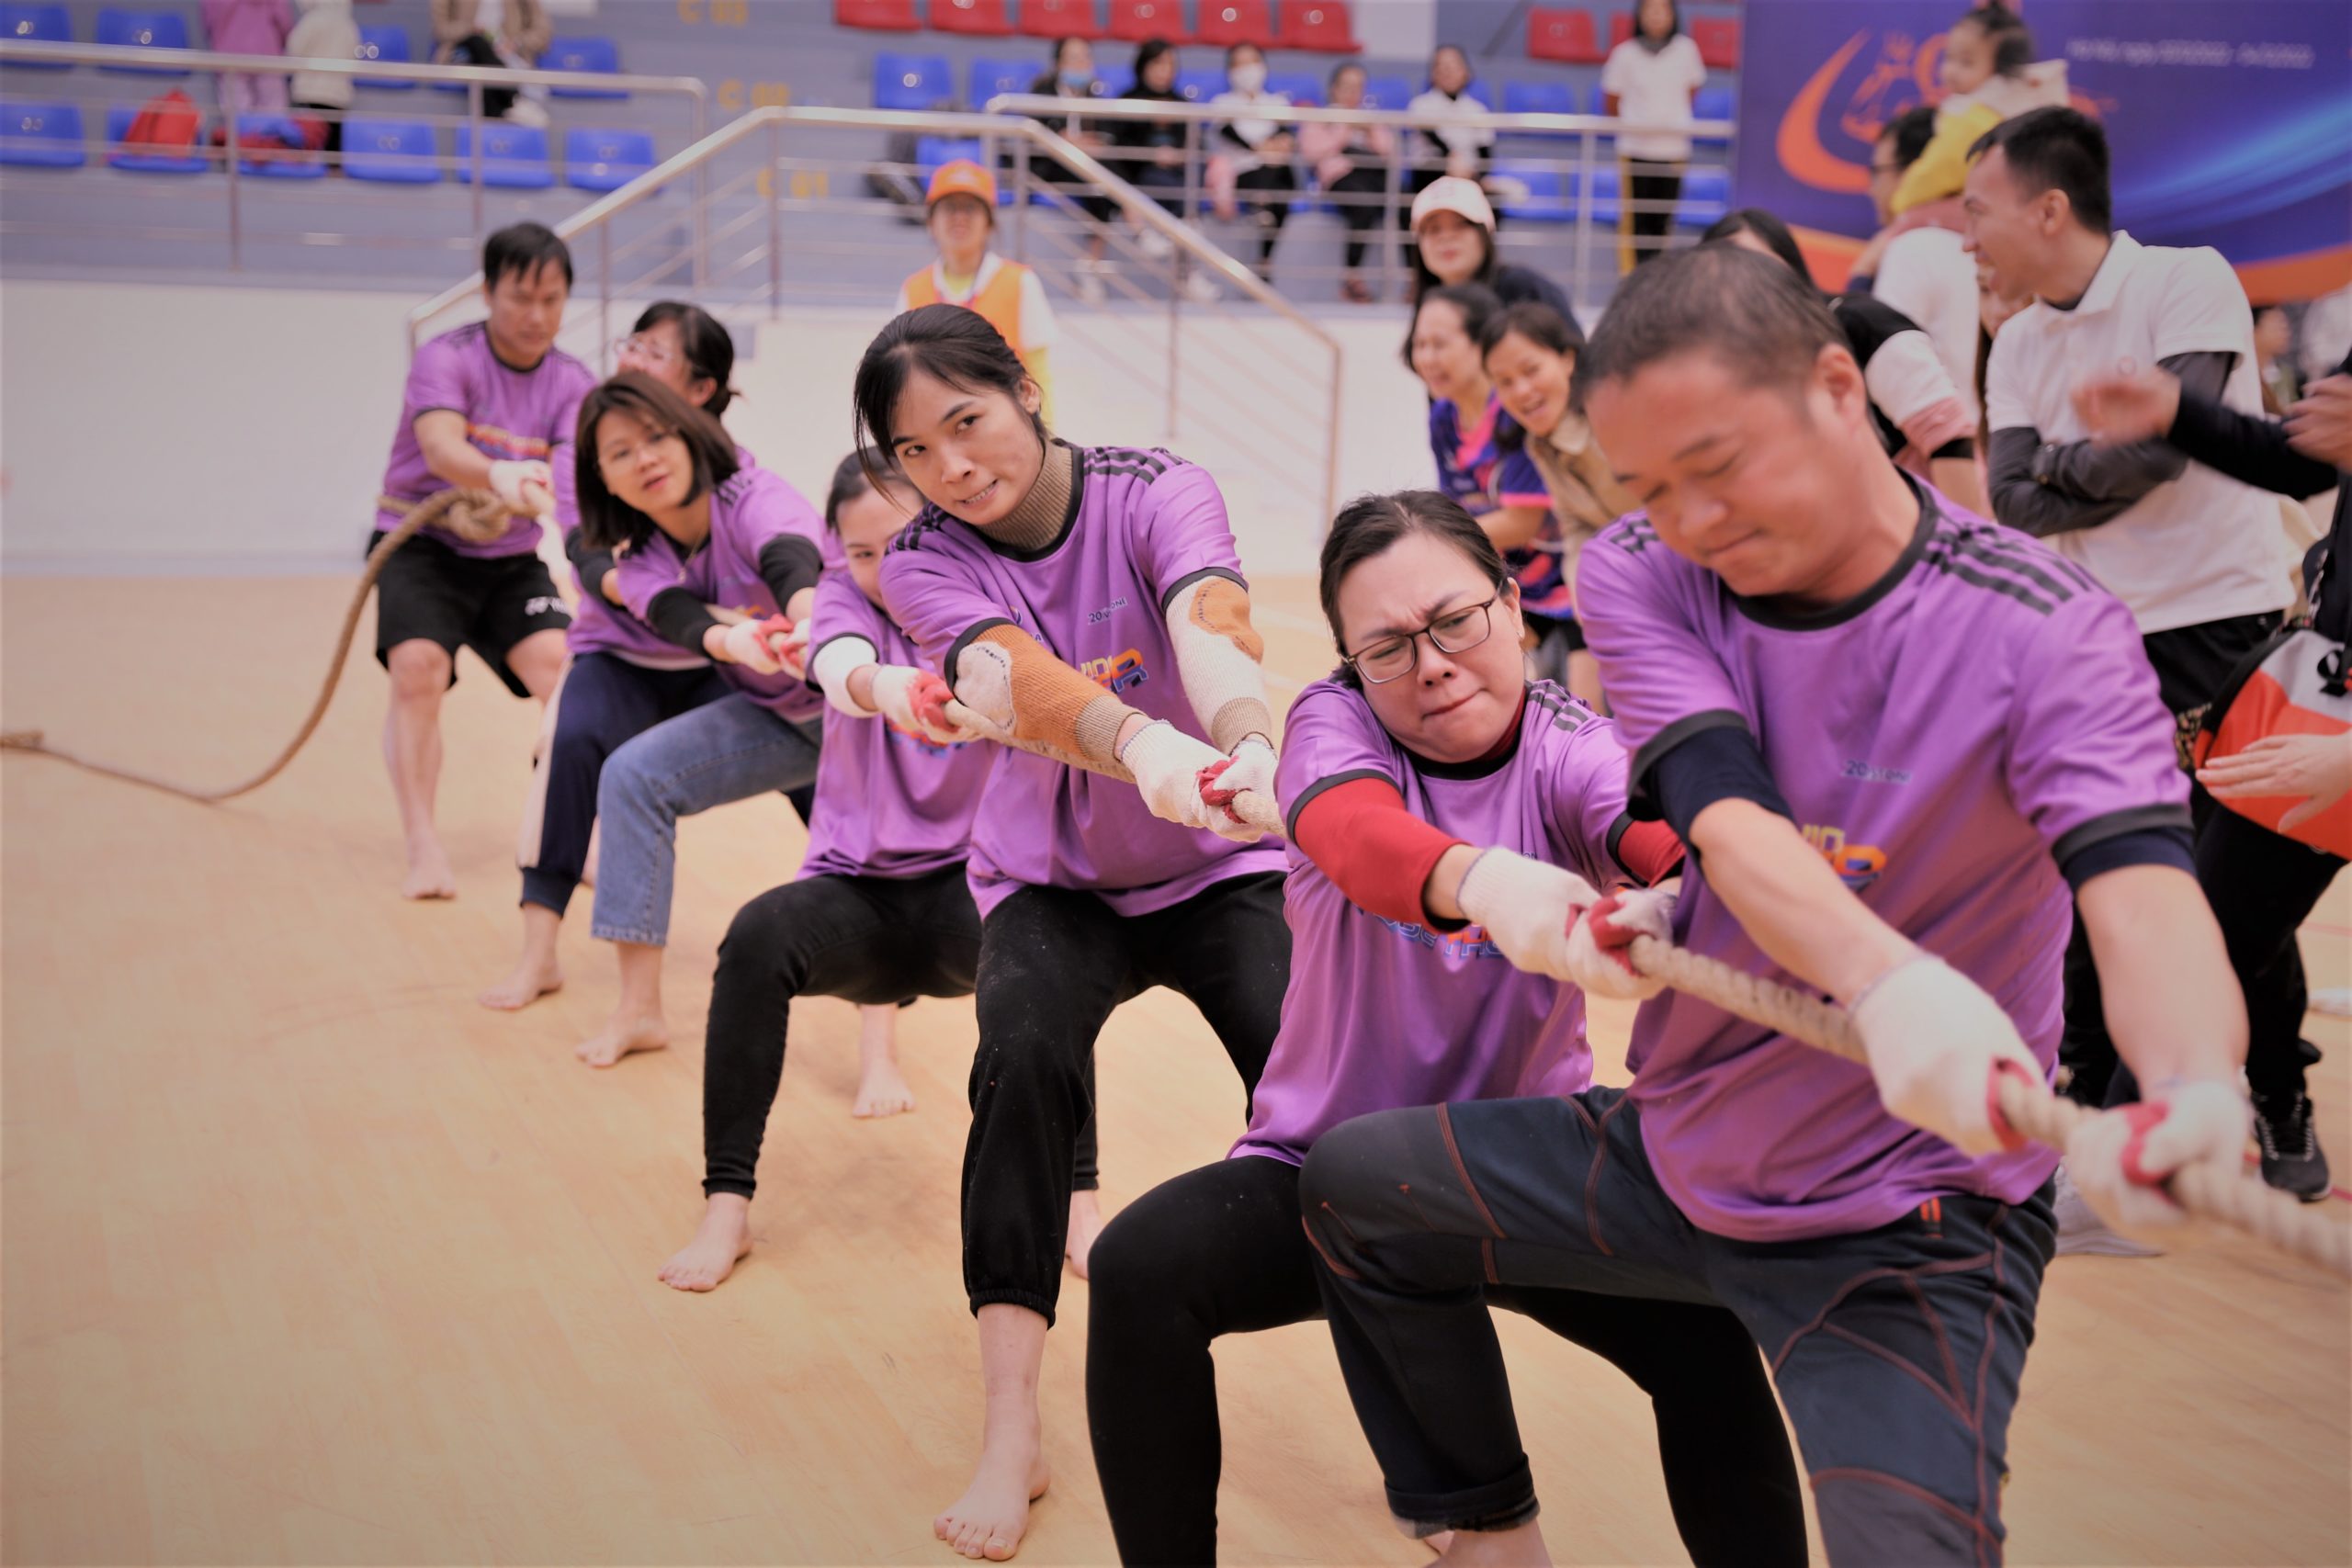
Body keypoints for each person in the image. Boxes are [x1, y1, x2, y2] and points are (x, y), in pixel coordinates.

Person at [1296, 243, 2250, 1568]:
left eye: (1718, 463)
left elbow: (2141, 887)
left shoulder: (2049, 626)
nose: (1689, 518)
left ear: (1838, 387)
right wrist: (1886, 980)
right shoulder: (1645, 566)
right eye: (1649, 485)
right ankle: (1488, 1526)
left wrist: (2192, 1079)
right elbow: (1727, 818)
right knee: (1353, 1184)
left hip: (1913, 1215)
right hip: (1679, 1144)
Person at [1084, 488, 1808, 1568]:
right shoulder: (1333, 725)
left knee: (1700, 1329)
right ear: (1351, 662)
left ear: (1512, 606)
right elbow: (1353, 833)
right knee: (1140, 1271)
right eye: (1386, 647)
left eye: (1455, 621)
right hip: (1319, 1172)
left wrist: (1695, 890)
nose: (1429, 664)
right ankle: (1490, 1531)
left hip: (1514, 1174)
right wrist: (1492, 884)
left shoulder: (1572, 745)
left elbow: (1658, 830)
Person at [858, 305, 1291, 1561]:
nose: (950, 467)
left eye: (966, 422)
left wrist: (1245, 741)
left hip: (1217, 863)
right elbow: (1008, 677)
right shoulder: (924, 559)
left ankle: (1431, 1418)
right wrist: (1145, 747)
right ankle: (1012, 1428)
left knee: (1322, 1089)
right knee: (1022, 1060)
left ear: (1025, 390)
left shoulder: (1155, 487)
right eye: (915, 450)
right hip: (1052, 881)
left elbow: (1209, 612)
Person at [659, 453, 1110, 1291]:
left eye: (896, 545)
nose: (877, 570)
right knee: (755, 938)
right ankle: (727, 1204)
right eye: (859, 553)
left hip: (973, 888)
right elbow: (840, 664)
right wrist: (892, 687)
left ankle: (1078, 1202)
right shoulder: (838, 599)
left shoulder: (980, 602)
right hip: (858, 897)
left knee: (1053, 966)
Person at [1967, 107, 2292, 1118]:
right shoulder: (2016, 342)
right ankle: (2097, 1109)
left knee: (2232, 882)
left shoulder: (2185, 280)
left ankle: (2277, 1090)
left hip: (2217, 619)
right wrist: (2086, 463)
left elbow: (2163, 449)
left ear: (2048, 209)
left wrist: (2060, 463)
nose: (1967, 239)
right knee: (2091, 869)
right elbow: (2011, 498)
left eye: (1977, 212)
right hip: (2091, 636)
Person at [2071, 350, 2352, 1198]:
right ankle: (2125, 1175)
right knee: (2207, 934)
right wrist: (2175, 408)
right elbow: (2300, 457)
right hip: (2322, 703)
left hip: (2318, 725)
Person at [481, 303, 746, 1012]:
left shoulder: (732, 468)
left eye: (654, 353)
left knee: (824, 751)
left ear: (699, 389)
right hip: (618, 655)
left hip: (719, 665)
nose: (630, 359)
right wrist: (661, 600)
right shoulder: (589, 450)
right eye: (633, 344)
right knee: (566, 746)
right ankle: (538, 955)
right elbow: (588, 553)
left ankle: (887, 952)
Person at [570, 375, 831, 1069]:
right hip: (783, 718)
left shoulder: (750, 494)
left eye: (657, 436)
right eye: (620, 453)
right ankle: (639, 1010)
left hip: (869, 716)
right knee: (633, 777)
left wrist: (810, 626)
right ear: (604, 480)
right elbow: (680, 619)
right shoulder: (642, 559)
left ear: (690, 433)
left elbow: (790, 559)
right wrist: (737, 642)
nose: (646, 458)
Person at [372, 222, 588, 900]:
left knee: (569, 679)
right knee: (418, 670)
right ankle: (423, 843)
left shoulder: (574, 382)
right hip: (423, 545)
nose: (536, 316)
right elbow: (440, 448)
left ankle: (567, 836)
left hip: (510, 557)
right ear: (489, 292)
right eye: (521, 298)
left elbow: (569, 478)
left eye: (551, 300)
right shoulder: (446, 358)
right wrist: (499, 476)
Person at [1706, 208, 1989, 515]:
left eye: (1760, 265)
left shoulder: (1860, 323)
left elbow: (1948, 434)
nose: (1749, 282)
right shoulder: (1739, 367)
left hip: (1926, 522)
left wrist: (1963, 535)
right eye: (1728, 273)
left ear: (1791, 266)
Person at [1407, 286, 1580, 694]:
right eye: (1419, 344)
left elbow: (1523, 520)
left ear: (1480, 345)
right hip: (1505, 584)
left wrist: (1432, 544)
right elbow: (1454, 509)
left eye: (1440, 344)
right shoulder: (1443, 416)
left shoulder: (1517, 410)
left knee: (1576, 703)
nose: (1427, 358)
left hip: (1564, 589)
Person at [1480, 301, 1635, 705]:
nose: (1521, 391)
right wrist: (1587, 601)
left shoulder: (1615, 417)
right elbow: (1577, 527)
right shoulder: (1540, 443)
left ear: (1568, 359)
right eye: (1505, 382)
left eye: (1531, 370)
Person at [894, 160, 1059, 422]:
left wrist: (1046, 436)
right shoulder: (913, 289)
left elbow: (1039, 373)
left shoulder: (1020, 282)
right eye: (950, 207)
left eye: (970, 208)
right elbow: (902, 379)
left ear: (989, 223)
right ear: (931, 222)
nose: (959, 217)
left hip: (1008, 428)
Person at [1851, 106, 1980, 429]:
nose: (1871, 188)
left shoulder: (1912, 247)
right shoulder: (1987, 239)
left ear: (1916, 171)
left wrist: (1861, 275)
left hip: (1936, 444)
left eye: (1877, 172)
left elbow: (1882, 360)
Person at [1891, 3, 2064, 216]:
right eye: (1949, 57)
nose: (1951, 71)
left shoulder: (1975, 119)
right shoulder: (2025, 109)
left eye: (1966, 62)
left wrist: (1900, 202)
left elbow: (1937, 172)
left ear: (2002, 70)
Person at [1109, 39, 1219, 304]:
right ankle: (1189, 265)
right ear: (1144, 66)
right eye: (1158, 64)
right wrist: (1152, 153)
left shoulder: (1181, 103)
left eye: (1170, 65)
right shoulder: (1128, 101)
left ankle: (1187, 264)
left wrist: (1179, 155)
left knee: (1191, 178)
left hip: (1177, 174)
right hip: (1141, 173)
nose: (1164, 71)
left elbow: (1197, 145)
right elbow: (1120, 147)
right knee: (1178, 194)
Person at [1600, 0, 1704, 271]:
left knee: (1663, 220)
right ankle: (1631, 279)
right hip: (1634, 149)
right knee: (1635, 221)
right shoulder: (1624, 54)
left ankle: (1656, 280)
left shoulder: (1687, 50)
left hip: (1674, 150)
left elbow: (1692, 91)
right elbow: (1612, 100)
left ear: (1673, 15)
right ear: (1640, 15)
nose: (1656, 16)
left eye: (1662, 10)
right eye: (1650, 10)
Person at [1024, 38, 1115, 303]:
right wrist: (1063, 141)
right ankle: (1096, 262)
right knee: (1102, 183)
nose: (1081, 63)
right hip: (1051, 165)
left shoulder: (1094, 97)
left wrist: (1085, 143)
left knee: (1108, 182)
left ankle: (1090, 264)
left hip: (1086, 164)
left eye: (1086, 57)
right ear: (1058, 64)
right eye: (1073, 57)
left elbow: (1105, 136)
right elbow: (1037, 137)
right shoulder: (1042, 94)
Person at [1408, 175, 1576, 319]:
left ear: (1486, 233)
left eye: (1460, 225)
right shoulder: (1426, 306)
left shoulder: (1524, 290)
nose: (1446, 237)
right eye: (1433, 229)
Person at [1299, 62, 1394, 303]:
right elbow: (1312, 152)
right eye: (1347, 87)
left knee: (1406, 206)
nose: (1353, 93)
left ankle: (1413, 279)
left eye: (1358, 87)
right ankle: (1352, 277)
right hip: (1340, 176)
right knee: (1363, 205)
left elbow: (1389, 151)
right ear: (1334, 88)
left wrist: (1370, 130)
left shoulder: (1369, 119)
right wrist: (1344, 127)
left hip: (1373, 175)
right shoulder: (1321, 118)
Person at [1207, 42, 1297, 284]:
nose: (1248, 69)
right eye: (1241, 63)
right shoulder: (1222, 102)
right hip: (1243, 172)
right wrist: (1259, 147)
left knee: (1280, 183)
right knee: (1264, 173)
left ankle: (1265, 258)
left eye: (1253, 61)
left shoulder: (1277, 102)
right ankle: (1260, 209)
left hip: (1277, 171)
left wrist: (1270, 148)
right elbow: (1228, 134)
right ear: (1230, 70)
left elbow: (1286, 139)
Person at [1401, 43, 1491, 279]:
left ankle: (1479, 276)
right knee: (1407, 208)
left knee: (1491, 204)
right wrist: (1453, 162)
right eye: (1441, 66)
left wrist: (1477, 176)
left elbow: (1485, 153)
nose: (1448, 71)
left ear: (1466, 72)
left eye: (1454, 65)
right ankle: (1418, 278)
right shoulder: (1420, 105)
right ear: (1433, 73)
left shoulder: (1478, 110)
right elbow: (1434, 140)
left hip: (1468, 179)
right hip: (1429, 178)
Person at [431, 0, 549, 124]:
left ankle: (492, 126)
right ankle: (514, 99)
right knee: (478, 43)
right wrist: (469, 28)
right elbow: (441, 30)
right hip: (463, 53)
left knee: (484, 68)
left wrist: (516, 43)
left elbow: (542, 32)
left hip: (507, 56)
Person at [286, 0, 356, 160]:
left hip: (308, 92)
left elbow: (294, 49)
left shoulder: (311, 21)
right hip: (337, 95)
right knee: (332, 148)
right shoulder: (347, 23)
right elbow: (353, 53)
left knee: (305, 145)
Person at [204, 0, 291, 118]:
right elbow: (283, 21)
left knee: (237, 117)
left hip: (229, 56)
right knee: (273, 113)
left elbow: (210, 20)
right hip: (267, 54)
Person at [2255, 306, 2302, 416]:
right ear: (2254, 331)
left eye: (2285, 328)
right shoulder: (2240, 373)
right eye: (2277, 328)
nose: (2286, 334)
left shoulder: (2285, 373)